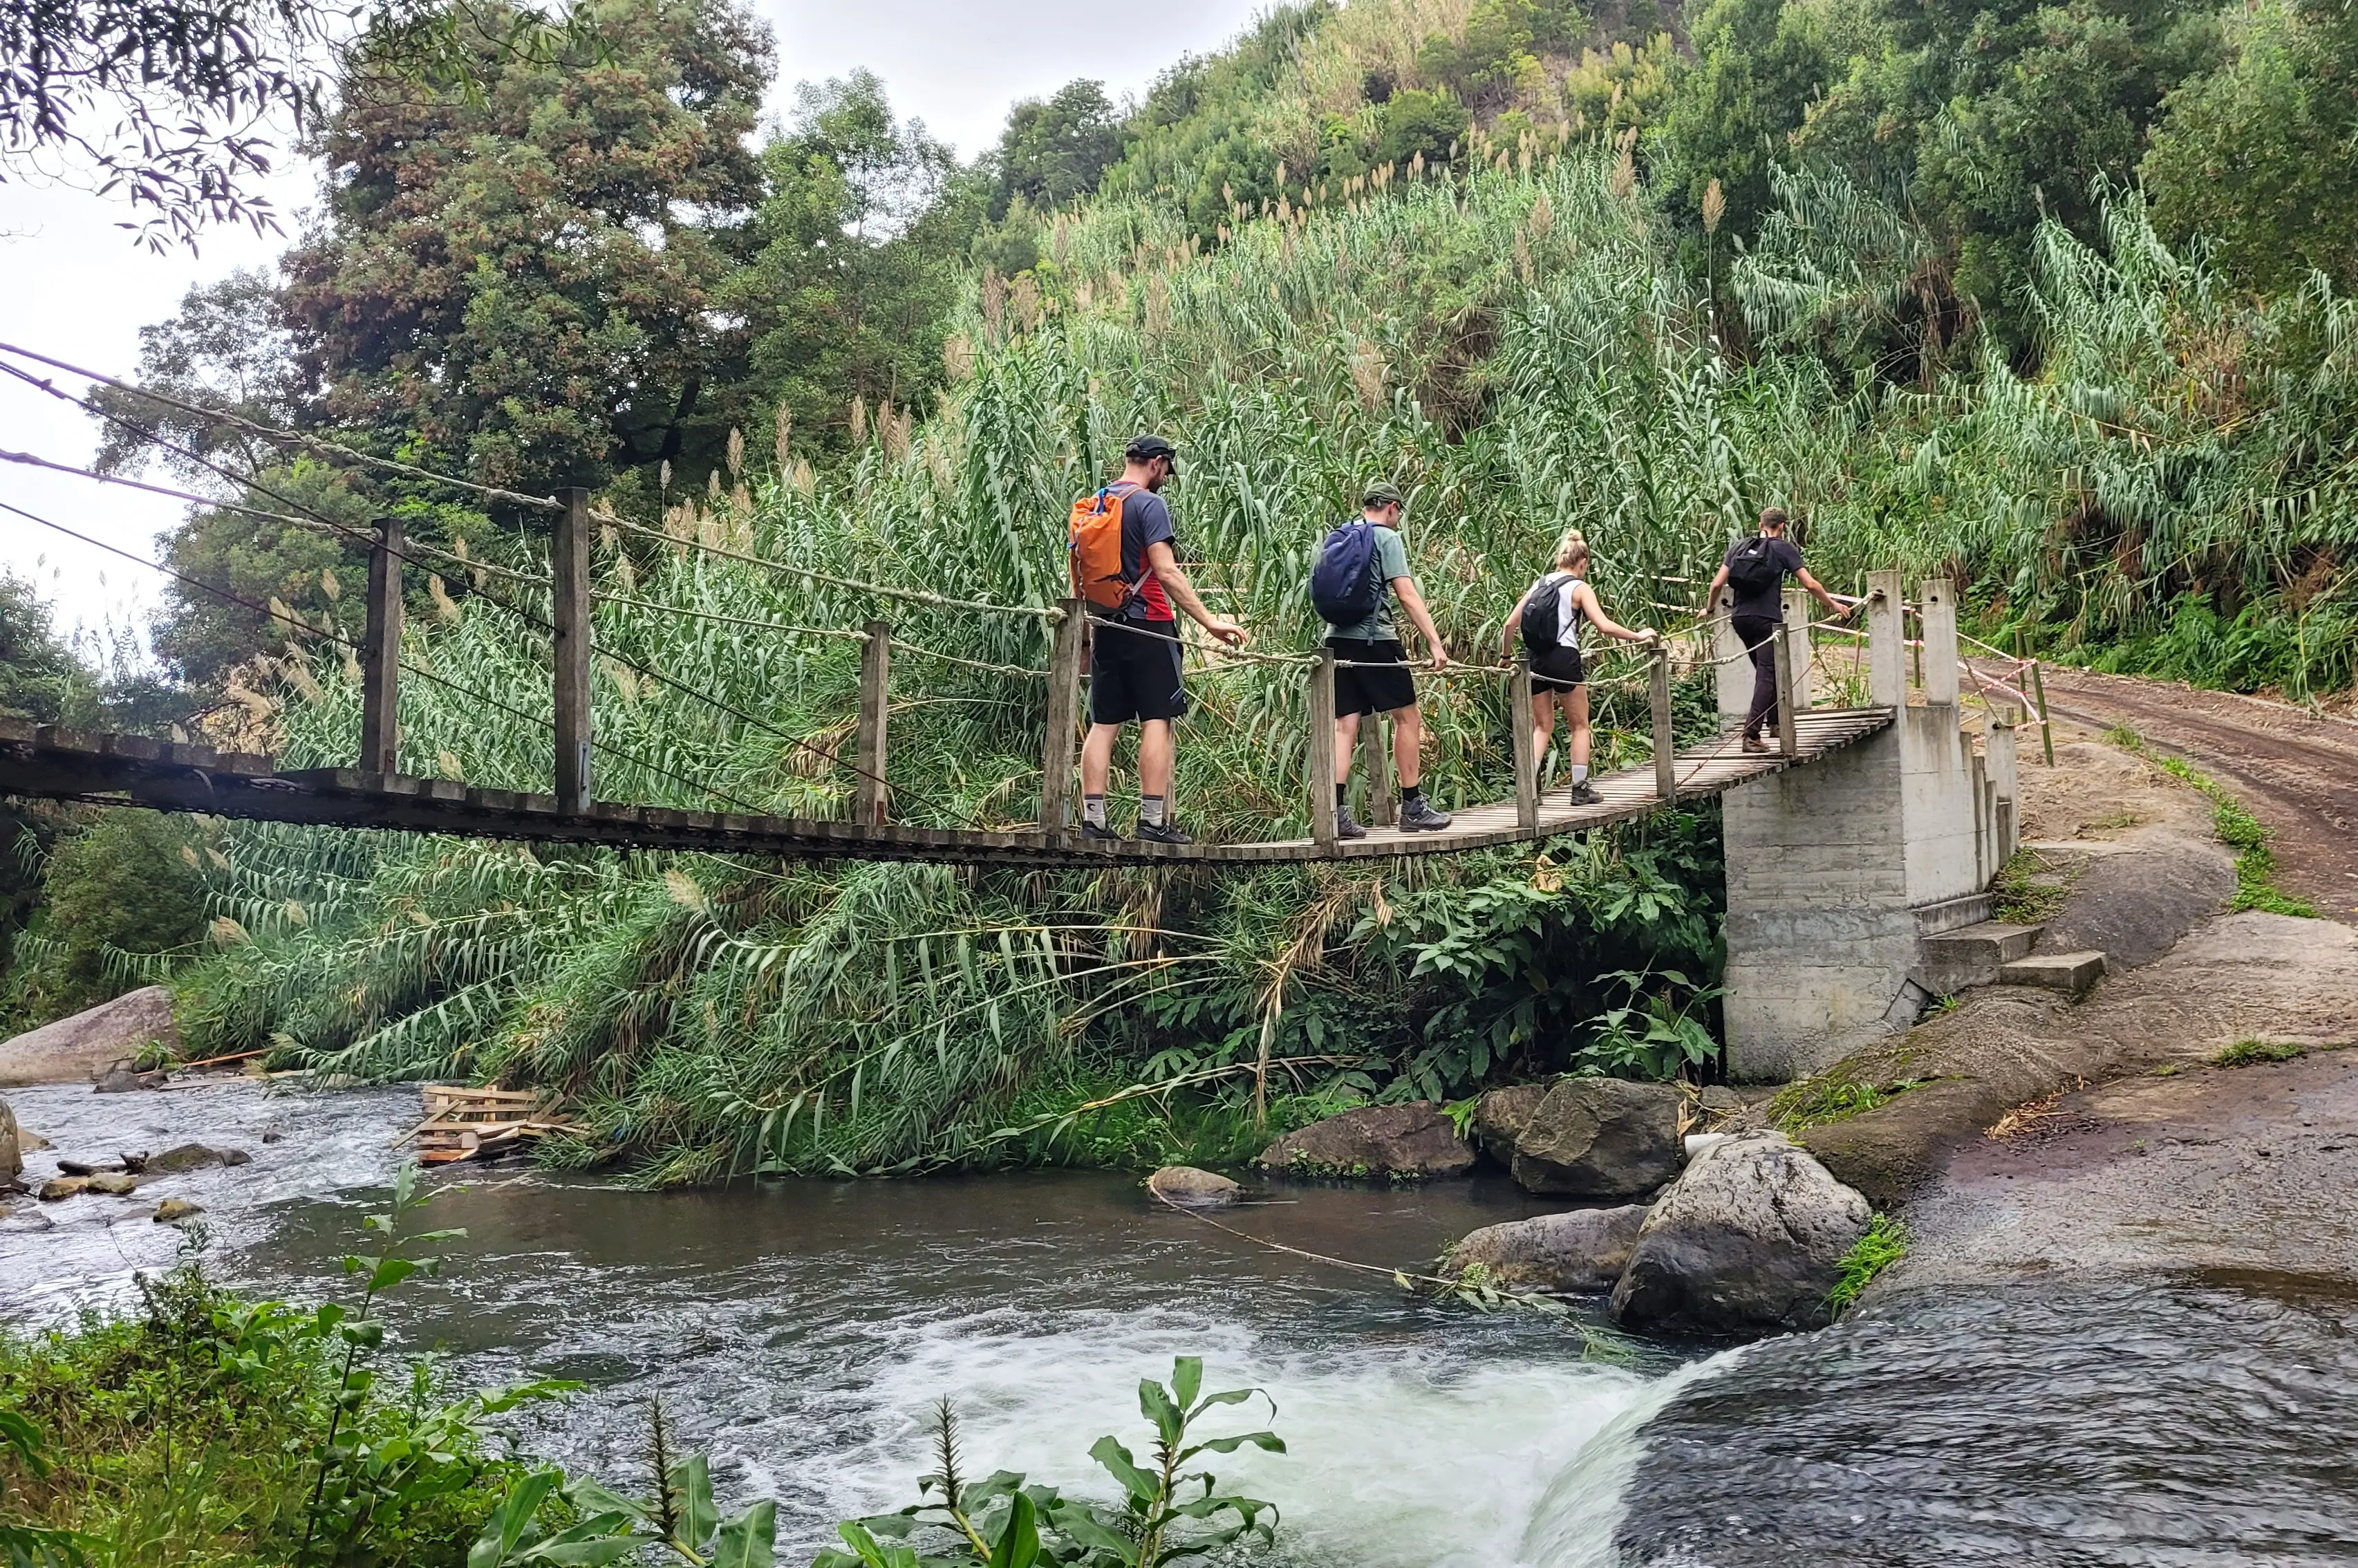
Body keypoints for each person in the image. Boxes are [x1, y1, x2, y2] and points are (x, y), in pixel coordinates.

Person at [1075, 434, 1248, 843]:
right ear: (1155, 463)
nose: (1166, 478)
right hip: (1149, 623)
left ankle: (1093, 823)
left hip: (1107, 626)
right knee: (1157, 719)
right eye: (1166, 469)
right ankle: (1153, 822)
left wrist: (1086, 636)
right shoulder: (1149, 504)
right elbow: (1166, 572)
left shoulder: (1096, 504)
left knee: (1104, 724)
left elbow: (1080, 576)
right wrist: (1210, 623)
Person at [1322, 479, 1452, 837]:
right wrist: (1434, 642)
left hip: (1336, 640)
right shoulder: (1386, 538)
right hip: (1374, 641)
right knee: (1407, 718)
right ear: (1392, 508)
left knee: (1344, 724)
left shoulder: (1341, 536)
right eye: (1399, 513)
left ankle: (1334, 814)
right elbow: (1406, 593)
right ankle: (1412, 806)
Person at [1499, 530, 1658, 805]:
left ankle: (1528, 789)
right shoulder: (1579, 587)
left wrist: (1504, 656)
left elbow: (1510, 624)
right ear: (1582, 562)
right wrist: (1638, 635)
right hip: (1564, 658)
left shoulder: (1539, 584)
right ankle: (1580, 788)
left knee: (1542, 726)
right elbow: (1604, 625)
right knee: (1580, 726)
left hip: (1534, 659)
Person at [1702, 506, 1854, 753]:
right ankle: (1751, 735)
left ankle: (1775, 724)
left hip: (1740, 619)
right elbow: (1810, 584)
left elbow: (1717, 584)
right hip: (1766, 621)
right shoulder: (1783, 548)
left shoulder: (1739, 547)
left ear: (1760, 524)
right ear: (1782, 526)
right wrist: (1833, 604)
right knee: (1768, 674)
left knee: (1767, 674)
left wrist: (1709, 610)